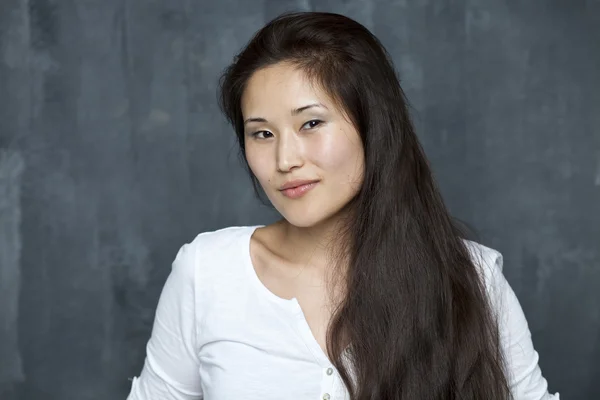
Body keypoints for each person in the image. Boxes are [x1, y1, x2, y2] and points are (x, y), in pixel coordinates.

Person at [126, 11, 559, 400]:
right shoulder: (207, 273)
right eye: (262, 133)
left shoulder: (471, 277)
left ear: (373, 125)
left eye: (311, 123)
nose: (285, 160)